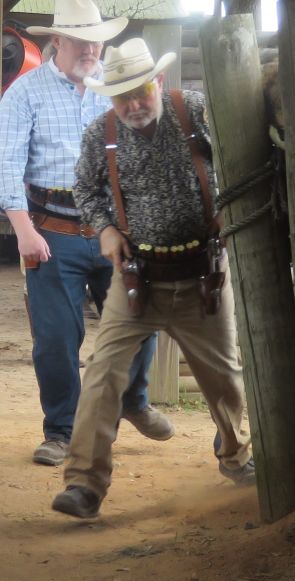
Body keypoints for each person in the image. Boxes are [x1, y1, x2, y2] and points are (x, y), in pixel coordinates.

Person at [51, 37, 255, 518]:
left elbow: (241, 160)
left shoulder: (197, 113)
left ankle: (236, 457)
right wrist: (104, 228)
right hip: (135, 279)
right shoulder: (101, 133)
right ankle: (84, 484)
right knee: (102, 375)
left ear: (159, 81)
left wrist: (227, 210)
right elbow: (85, 188)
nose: (133, 105)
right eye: (122, 97)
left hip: (202, 277)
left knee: (224, 377)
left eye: (141, 92)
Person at [0, 0, 174, 467]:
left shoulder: (115, 90)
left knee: (140, 317)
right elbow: (7, 163)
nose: (91, 50)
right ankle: (61, 431)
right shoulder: (24, 93)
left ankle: (132, 400)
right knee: (56, 338)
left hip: (116, 226)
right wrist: (23, 230)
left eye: (97, 41)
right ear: (58, 41)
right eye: (81, 41)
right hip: (51, 231)